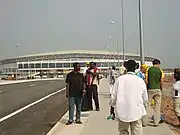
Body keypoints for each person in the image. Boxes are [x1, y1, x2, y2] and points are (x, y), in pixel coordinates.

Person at [110, 60, 148, 135]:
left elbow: (113, 97)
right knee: (137, 131)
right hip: (136, 111)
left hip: (122, 111)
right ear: (136, 68)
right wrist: (143, 105)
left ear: (126, 67)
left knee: (123, 131)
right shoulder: (140, 80)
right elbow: (145, 98)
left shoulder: (119, 80)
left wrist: (112, 107)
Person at [144, 59, 164, 127]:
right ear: (158, 64)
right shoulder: (160, 70)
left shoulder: (149, 69)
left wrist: (146, 88)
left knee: (148, 105)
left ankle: (144, 122)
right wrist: (161, 89)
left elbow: (146, 80)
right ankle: (156, 122)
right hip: (157, 89)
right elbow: (161, 81)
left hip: (150, 89)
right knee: (157, 107)